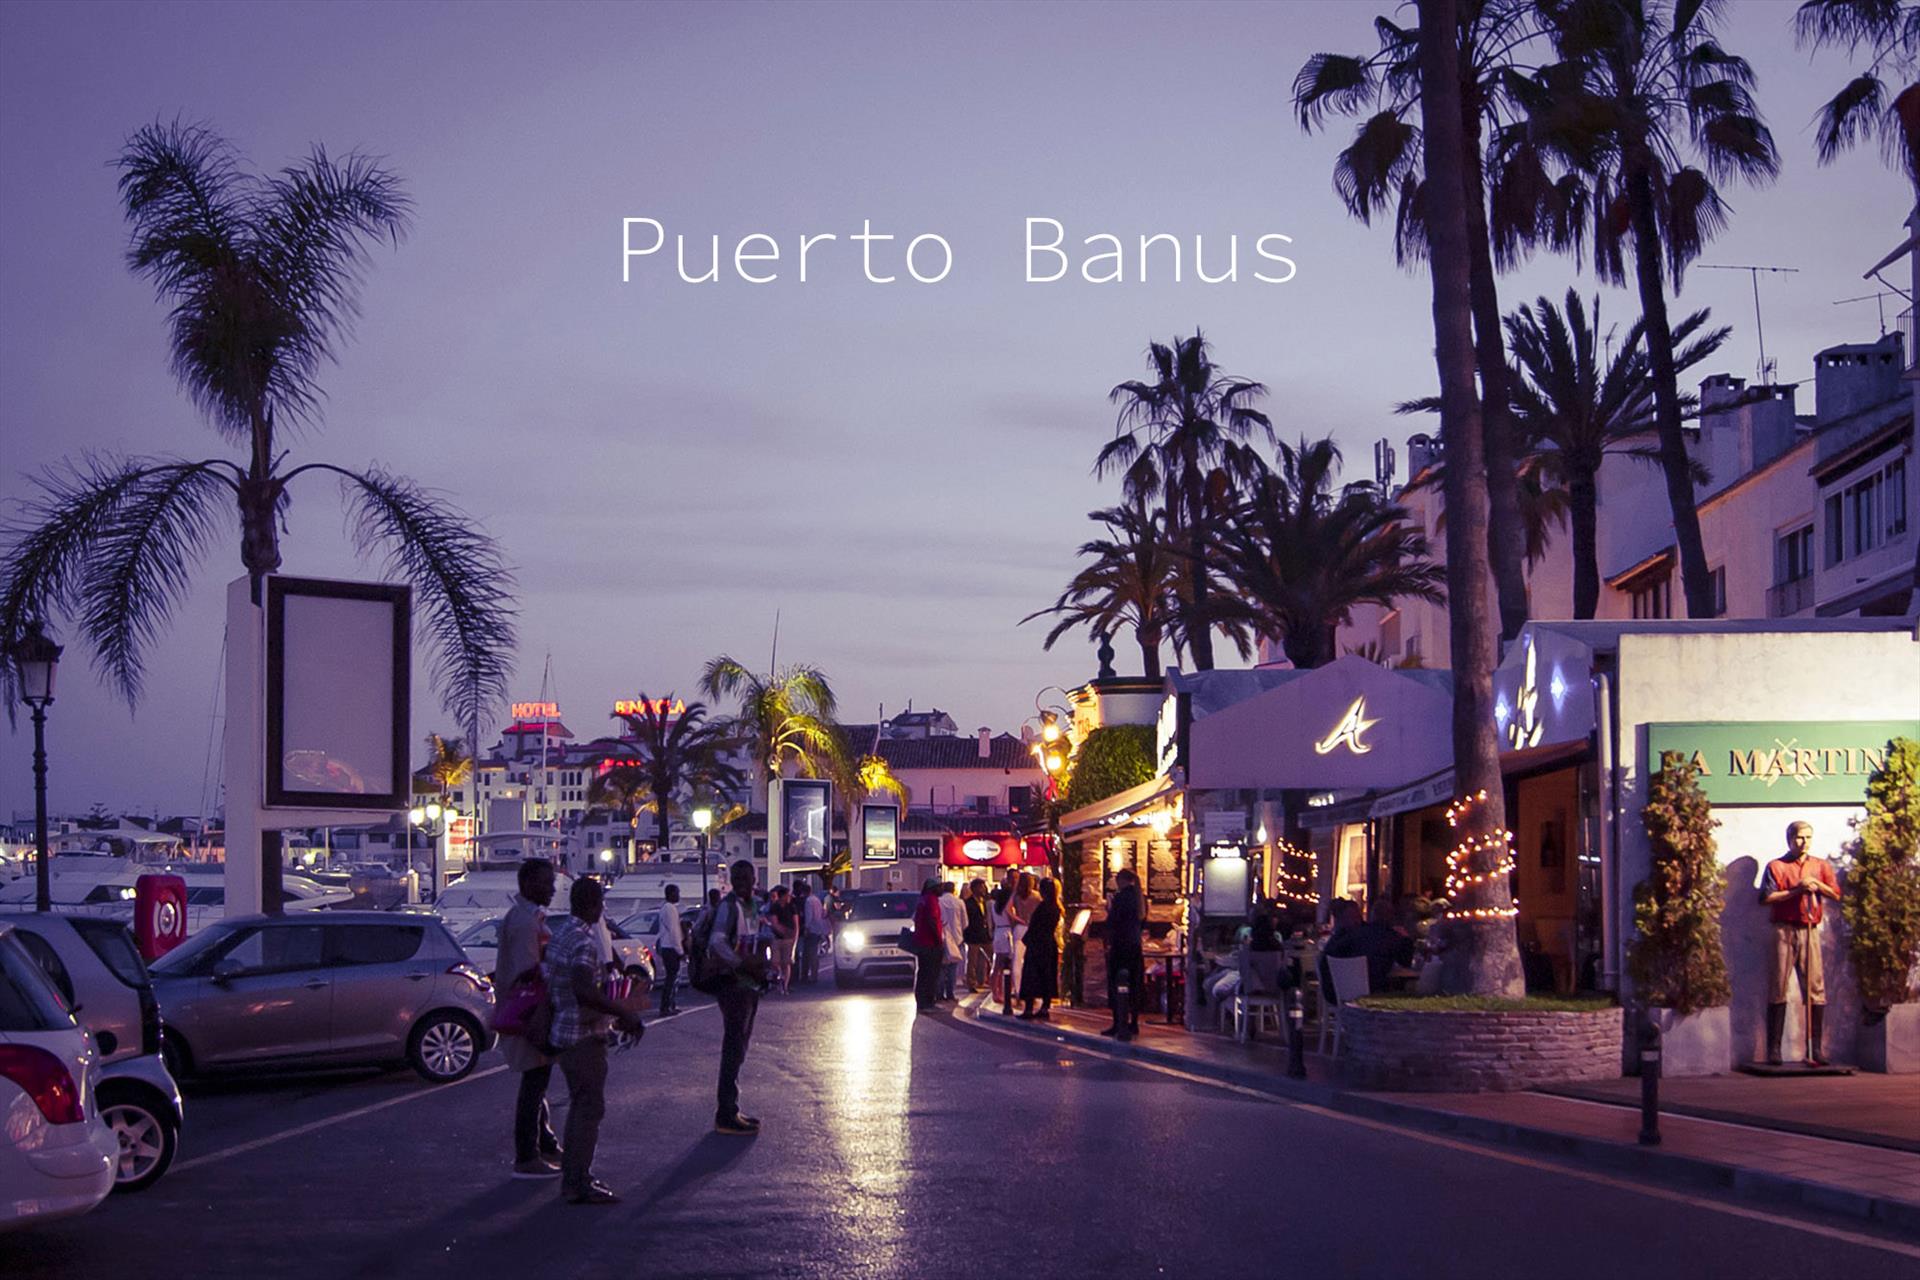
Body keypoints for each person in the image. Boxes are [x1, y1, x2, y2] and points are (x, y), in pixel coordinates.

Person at [543, 877, 646, 1205]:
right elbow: (583, 988)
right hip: (583, 1035)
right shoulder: (583, 941)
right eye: (601, 902)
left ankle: (573, 1177)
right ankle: (578, 1181)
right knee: (589, 1108)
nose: (603, 907)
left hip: (564, 1030)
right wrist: (623, 1012)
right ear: (592, 905)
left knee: (580, 1105)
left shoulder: (562, 934)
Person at [497, 858, 563, 1179]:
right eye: (546, 882)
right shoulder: (524, 922)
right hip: (529, 1012)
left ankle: (545, 1143)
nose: (552, 888)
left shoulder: (526, 916)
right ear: (527, 884)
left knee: (538, 1080)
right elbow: (530, 974)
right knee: (534, 1082)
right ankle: (527, 1155)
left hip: (526, 1009)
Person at [1760, 820, 1841, 1066]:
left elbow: (1835, 894)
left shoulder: (1820, 865)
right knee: (1778, 986)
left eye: (1808, 837)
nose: (1804, 842)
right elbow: (1766, 897)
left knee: (1815, 988)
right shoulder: (1776, 866)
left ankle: (1816, 1049)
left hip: (1810, 929)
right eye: (1799, 837)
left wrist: (1817, 885)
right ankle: (1774, 1050)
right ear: (1789, 839)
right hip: (1783, 929)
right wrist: (1797, 889)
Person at [705, 859, 769, 1135]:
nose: (742, 883)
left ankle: (731, 1108)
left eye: (746, 878)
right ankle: (726, 1113)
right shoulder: (729, 907)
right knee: (733, 1048)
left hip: (749, 985)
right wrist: (741, 964)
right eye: (737, 878)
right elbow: (717, 942)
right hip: (733, 985)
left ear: (754, 879)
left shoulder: (752, 906)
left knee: (740, 1047)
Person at [1320, 897, 1415, 999]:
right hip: (1369, 995)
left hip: (1334, 993)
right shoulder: (1390, 937)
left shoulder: (1345, 935)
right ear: (1391, 918)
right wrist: (1406, 938)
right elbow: (1406, 962)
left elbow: (1324, 960)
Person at [1103, 868, 1144, 1040]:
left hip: (1120, 946)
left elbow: (1113, 922)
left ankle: (1119, 1023)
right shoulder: (1139, 898)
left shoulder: (1121, 898)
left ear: (1121, 880)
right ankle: (1133, 1022)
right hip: (1135, 945)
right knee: (1133, 984)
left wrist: (1109, 910)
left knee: (1117, 984)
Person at [1018, 878, 1061, 1021]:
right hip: (1049, 944)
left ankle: (1029, 1008)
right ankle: (1044, 1007)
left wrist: (1027, 940)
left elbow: (1035, 926)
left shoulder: (1043, 907)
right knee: (1047, 975)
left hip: (1037, 944)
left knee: (1031, 976)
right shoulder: (1055, 907)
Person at [911, 879, 945, 1014]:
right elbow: (932, 920)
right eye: (939, 887)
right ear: (933, 888)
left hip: (922, 942)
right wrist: (938, 940)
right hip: (930, 942)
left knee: (923, 973)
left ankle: (922, 1001)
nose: (942, 889)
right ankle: (928, 1002)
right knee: (931, 974)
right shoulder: (931, 900)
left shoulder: (923, 899)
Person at [1008, 871, 1038, 1010]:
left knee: (1017, 961)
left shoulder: (1016, 895)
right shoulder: (1036, 896)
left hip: (1019, 928)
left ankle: (1018, 990)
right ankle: (1033, 991)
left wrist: (1018, 919)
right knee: (1031, 960)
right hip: (1032, 928)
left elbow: (1008, 910)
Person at [655, 884, 684, 1016]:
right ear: (671, 894)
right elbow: (674, 932)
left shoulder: (666, 908)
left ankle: (670, 1005)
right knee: (671, 979)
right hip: (671, 948)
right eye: (677, 893)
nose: (679, 895)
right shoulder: (670, 909)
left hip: (667, 947)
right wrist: (680, 951)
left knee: (672, 978)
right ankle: (665, 1006)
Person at [767, 884, 798, 994]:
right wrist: (783, 931)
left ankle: (785, 985)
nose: (789, 897)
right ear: (782, 896)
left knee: (787, 962)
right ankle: (780, 976)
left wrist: (794, 937)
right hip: (777, 938)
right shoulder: (774, 907)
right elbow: (774, 923)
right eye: (787, 895)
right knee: (775, 962)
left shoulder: (792, 907)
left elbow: (796, 923)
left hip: (789, 939)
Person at [990, 882, 1016, 1012]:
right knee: (1007, 965)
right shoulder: (1008, 907)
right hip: (1006, 933)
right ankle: (1004, 992)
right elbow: (1012, 920)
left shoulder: (994, 906)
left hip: (998, 932)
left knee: (997, 966)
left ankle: (995, 992)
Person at [963, 878, 992, 992]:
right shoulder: (968, 903)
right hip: (973, 935)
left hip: (984, 935)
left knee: (986, 958)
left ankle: (982, 980)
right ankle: (972, 983)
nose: (983, 889)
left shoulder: (985, 902)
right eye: (981, 887)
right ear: (974, 888)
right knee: (972, 960)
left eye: (984, 887)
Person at [797, 879, 829, 985]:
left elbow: (809, 916)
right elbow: (823, 913)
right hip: (818, 928)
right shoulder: (817, 900)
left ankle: (807, 976)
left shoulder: (808, 901)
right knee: (814, 953)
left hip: (811, 929)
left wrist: (806, 928)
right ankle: (814, 975)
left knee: (808, 954)